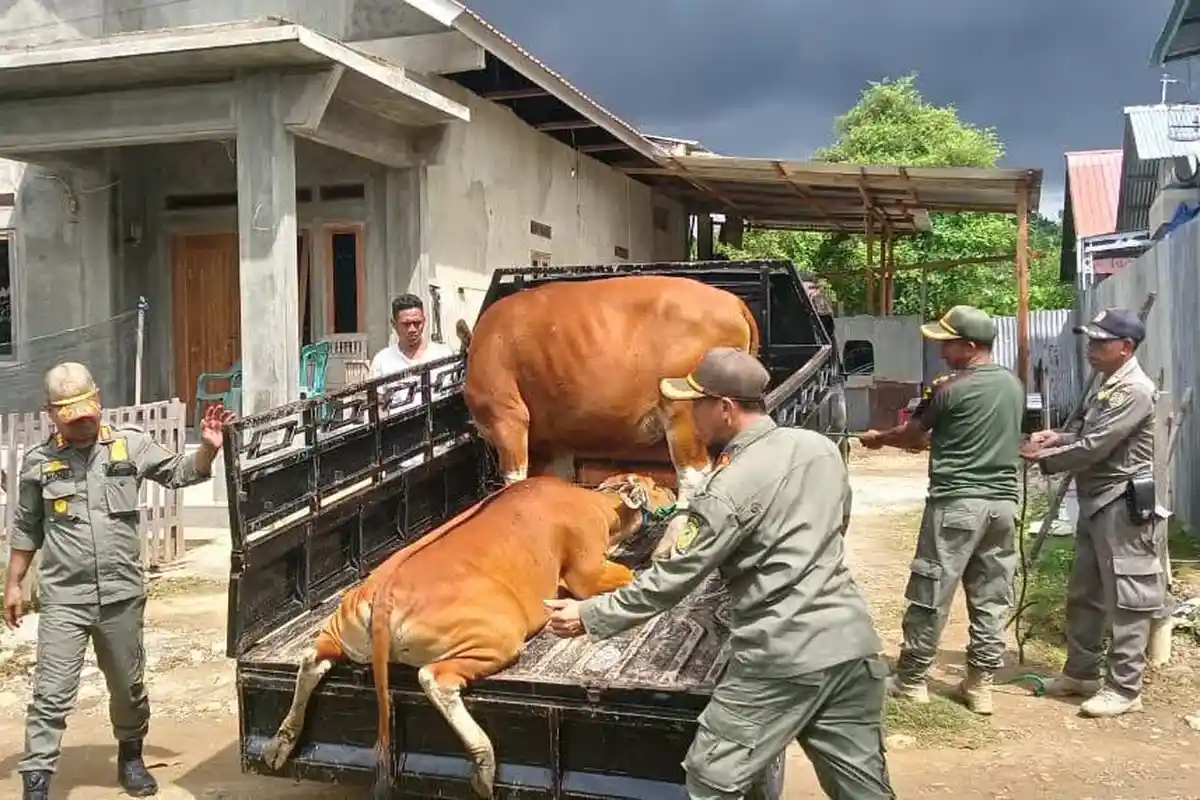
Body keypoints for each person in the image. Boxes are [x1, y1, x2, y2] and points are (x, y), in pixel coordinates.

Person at [545, 347, 894, 800]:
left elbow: (673, 580)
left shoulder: (727, 487)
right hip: (851, 643)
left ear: (725, 408)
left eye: (695, 403)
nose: (688, 414)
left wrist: (589, 614)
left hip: (782, 655)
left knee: (712, 777)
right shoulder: (819, 449)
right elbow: (837, 523)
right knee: (862, 785)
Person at [4, 362, 233, 799]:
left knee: (128, 688)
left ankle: (130, 756)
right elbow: (27, 527)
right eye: (73, 419)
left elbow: (179, 473)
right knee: (50, 693)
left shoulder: (129, 446)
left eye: (89, 414)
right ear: (51, 413)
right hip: (63, 598)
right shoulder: (39, 462)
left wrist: (207, 450)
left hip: (121, 594)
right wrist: (14, 584)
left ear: (99, 403)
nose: (84, 425)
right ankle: (37, 779)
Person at [858, 305, 1024, 715]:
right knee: (991, 595)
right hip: (1003, 505)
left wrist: (879, 438)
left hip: (957, 504)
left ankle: (912, 679)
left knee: (931, 591)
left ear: (970, 346)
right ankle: (981, 684)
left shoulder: (949, 388)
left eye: (948, 343)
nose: (942, 350)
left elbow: (913, 436)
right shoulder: (1013, 385)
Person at [1020, 307, 1166, 718]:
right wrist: (1057, 438)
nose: (1091, 349)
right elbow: (1088, 436)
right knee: (1085, 593)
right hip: (1097, 501)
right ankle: (1081, 673)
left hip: (1122, 504)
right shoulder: (1109, 384)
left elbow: (1096, 447)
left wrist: (1043, 458)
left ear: (1126, 347)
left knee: (1128, 598)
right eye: (1091, 340)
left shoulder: (1135, 389)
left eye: (1101, 342)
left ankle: (1125, 688)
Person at [368, 293, 454, 378]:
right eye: (406, 324)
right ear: (394, 324)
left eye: (417, 323)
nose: (412, 329)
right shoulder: (382, 361)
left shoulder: (444, 354)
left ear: (424, 321)